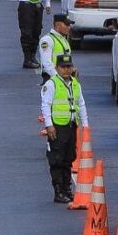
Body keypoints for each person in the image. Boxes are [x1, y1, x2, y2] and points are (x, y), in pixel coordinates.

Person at [41, 54, 88, 203]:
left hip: (71, 125)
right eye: (63, 67)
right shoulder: (51, 84)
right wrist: (49, 125)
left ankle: (67, 189)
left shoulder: (75, 84)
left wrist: (85, 125)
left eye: (69, 67)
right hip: (57, 127)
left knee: (69, 158)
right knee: (56, 159)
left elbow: (81, 104)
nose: (67, 70)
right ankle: (58, 191)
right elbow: (46, 105)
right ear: (57, 68)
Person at [38, 14, 73, 82]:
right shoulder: (47, 40)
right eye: (67, 25)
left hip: (63, 78)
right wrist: (58, 78)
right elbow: (46, 63)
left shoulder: (63, 40)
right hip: (52, 79)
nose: (69, 27)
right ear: (58, 25)